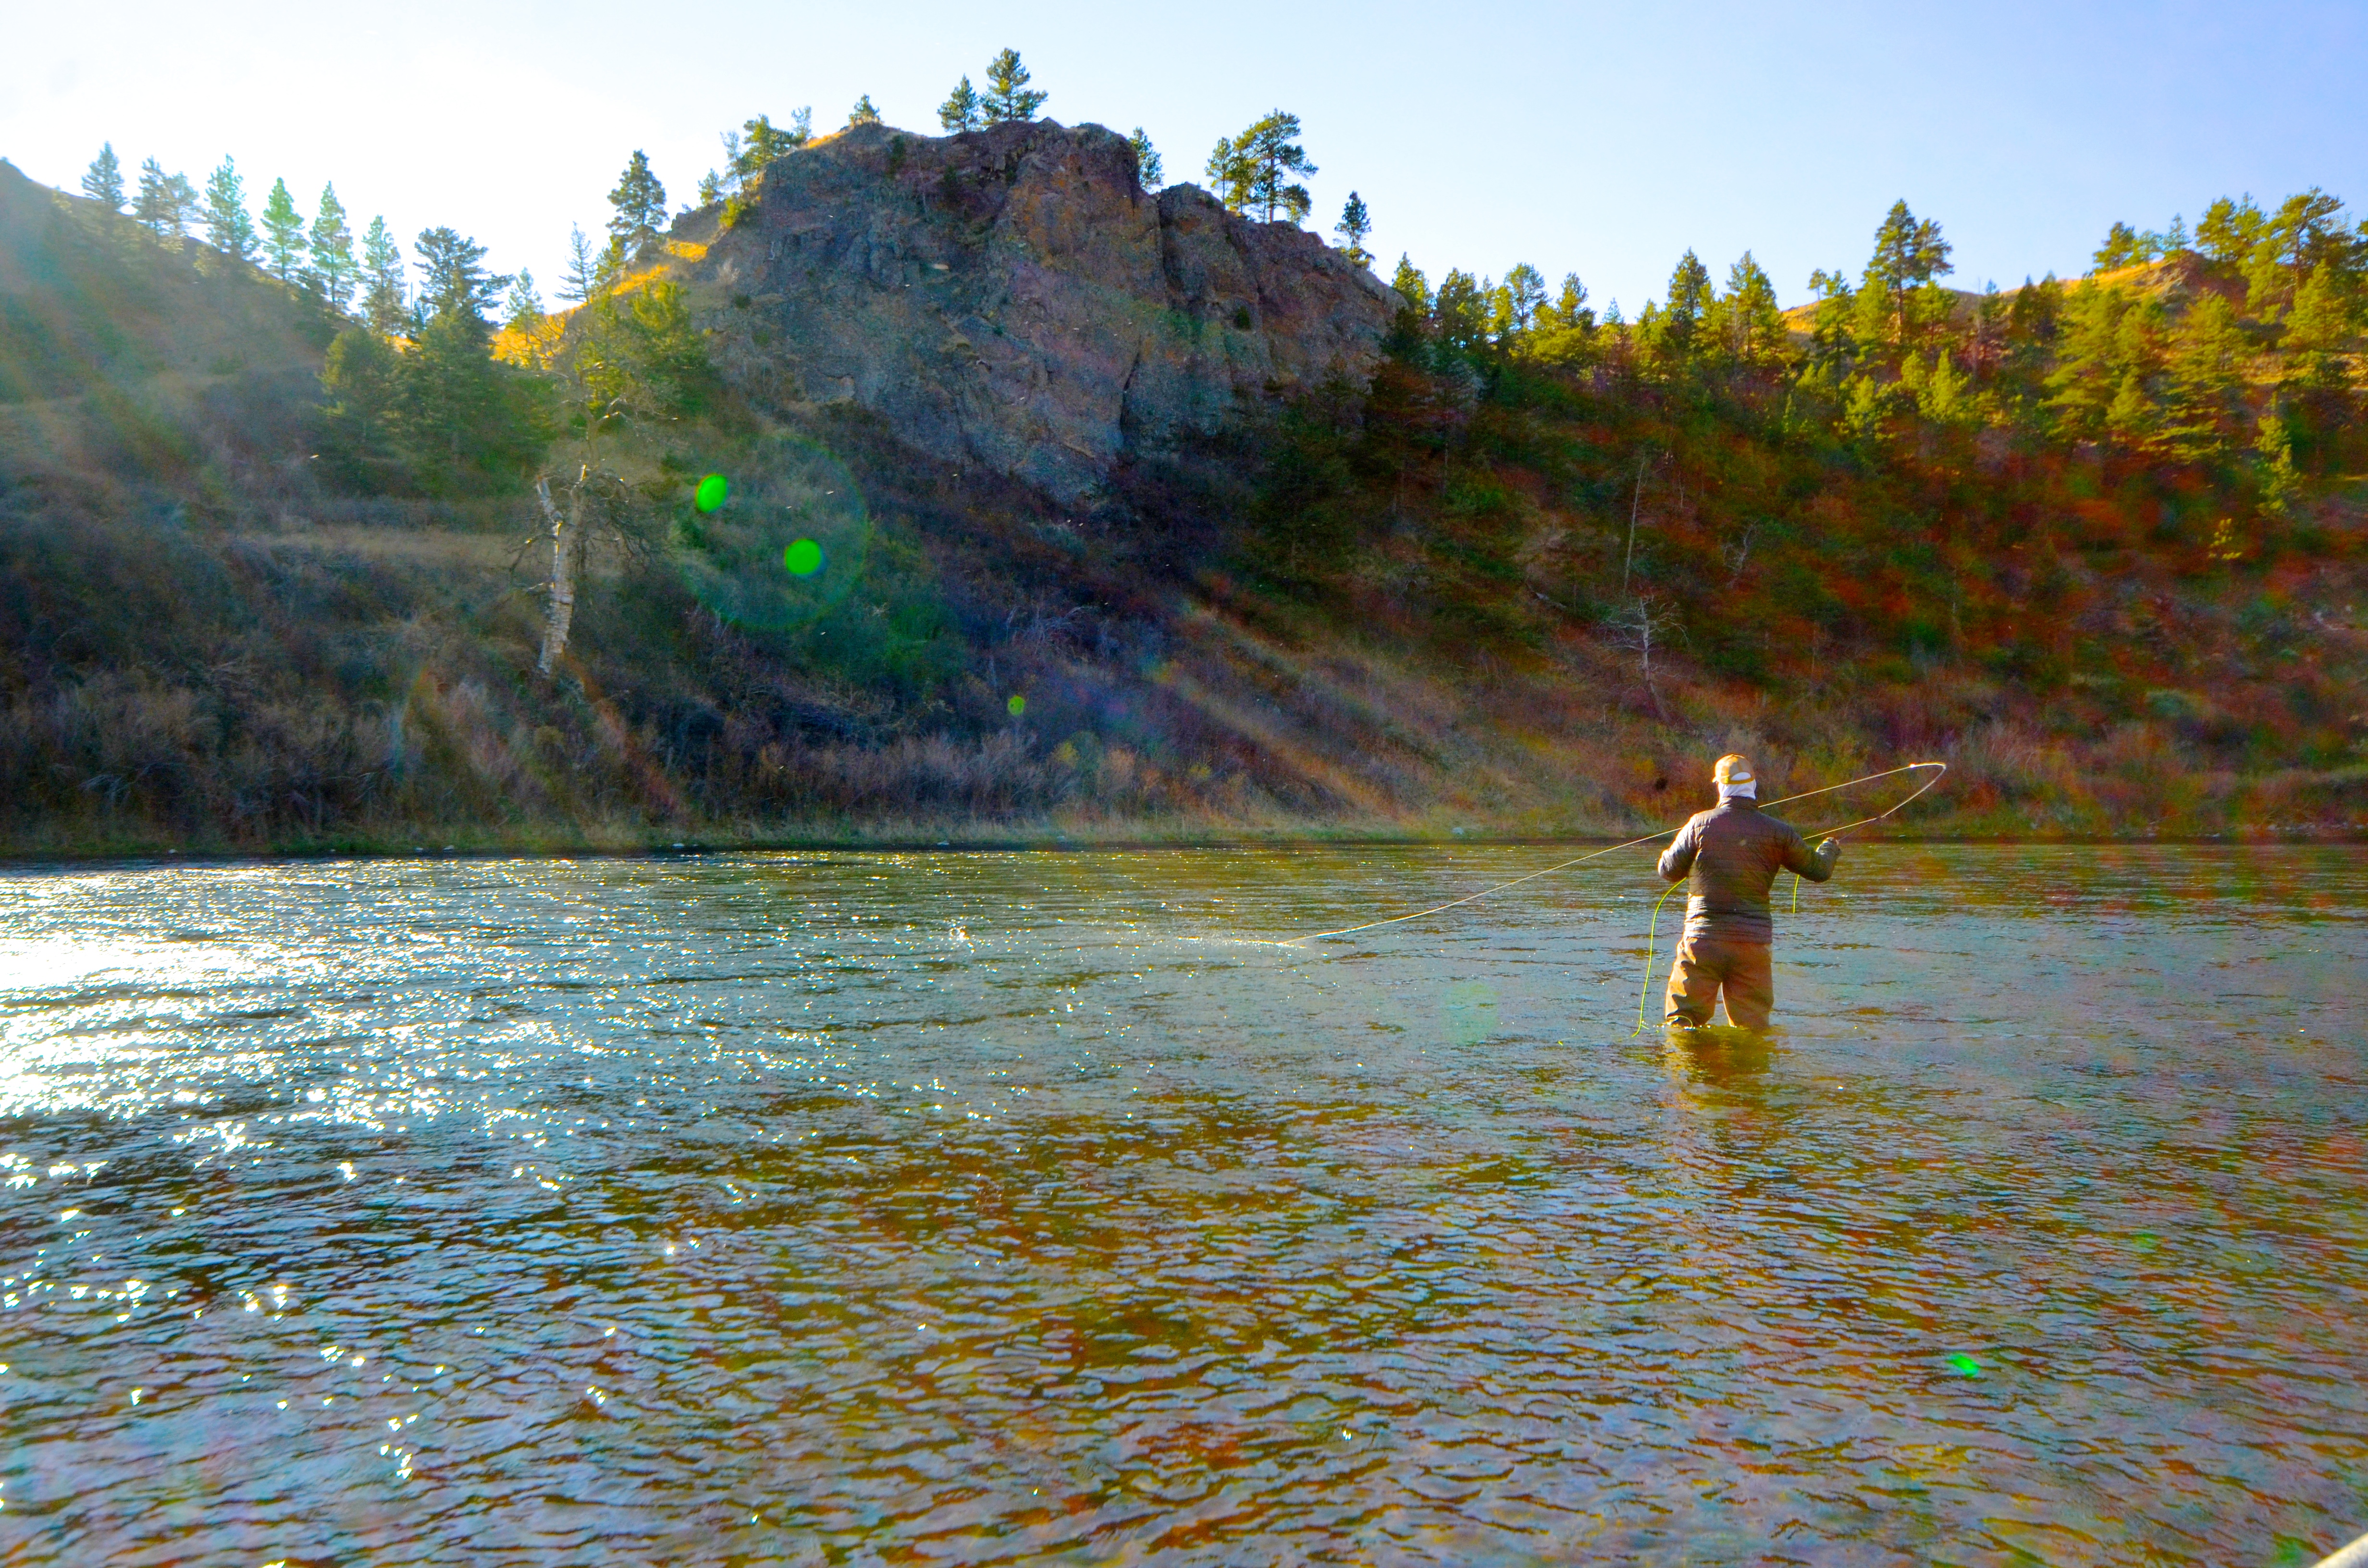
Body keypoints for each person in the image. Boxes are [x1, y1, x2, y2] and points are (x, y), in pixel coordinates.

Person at [1655, 754, 1839, 1034]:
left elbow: (1668, 870)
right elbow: (1819, 870)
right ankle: (1750, 1076)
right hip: (1752, 946)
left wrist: (1668, 853)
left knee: (1683, 1025)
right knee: (1752, 1030)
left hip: (1703, 942)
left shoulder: (1698, 823)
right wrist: (1830, 848)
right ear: (1753, 785)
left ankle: (1689, 1076)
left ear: (1720, 786)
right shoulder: (1780, 832)